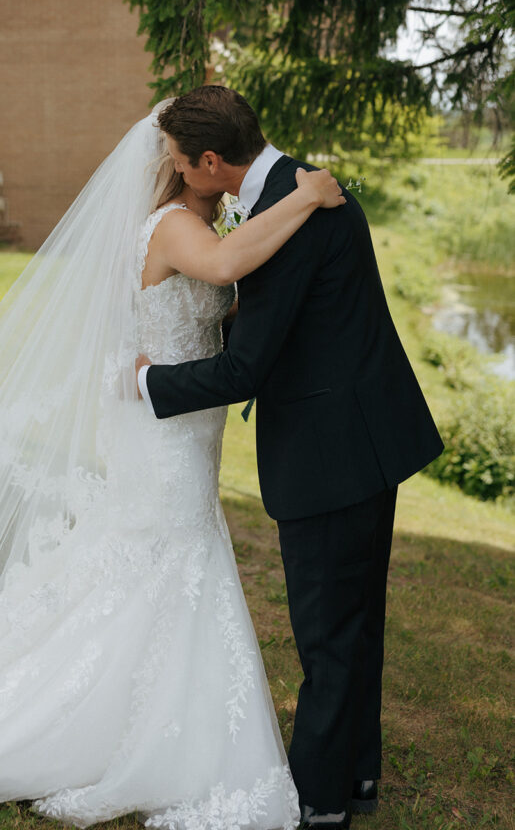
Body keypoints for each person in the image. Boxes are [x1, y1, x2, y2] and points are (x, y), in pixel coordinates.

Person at [0, 101, 344, 829]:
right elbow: (228, 266)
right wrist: (306, 195)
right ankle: (129, 730)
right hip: (162, 437)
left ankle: (148, 714)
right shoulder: (175, 228)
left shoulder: (192, 223)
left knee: (157, 562)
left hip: (181, 427)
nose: (190, 166)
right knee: (165, 558)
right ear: (189, 163)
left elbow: (222, 297)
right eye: (182, 155)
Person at [137, 85, 445, 830]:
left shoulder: (291, 214)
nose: (173, 171)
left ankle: (317, 804)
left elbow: (244, 370)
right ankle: (355, 780)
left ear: (212, 162)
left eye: (180, 161)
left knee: (328, 635)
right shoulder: (295, 187)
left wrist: (145, 381)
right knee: (354, 625)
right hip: (365, 438)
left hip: (330, 455)